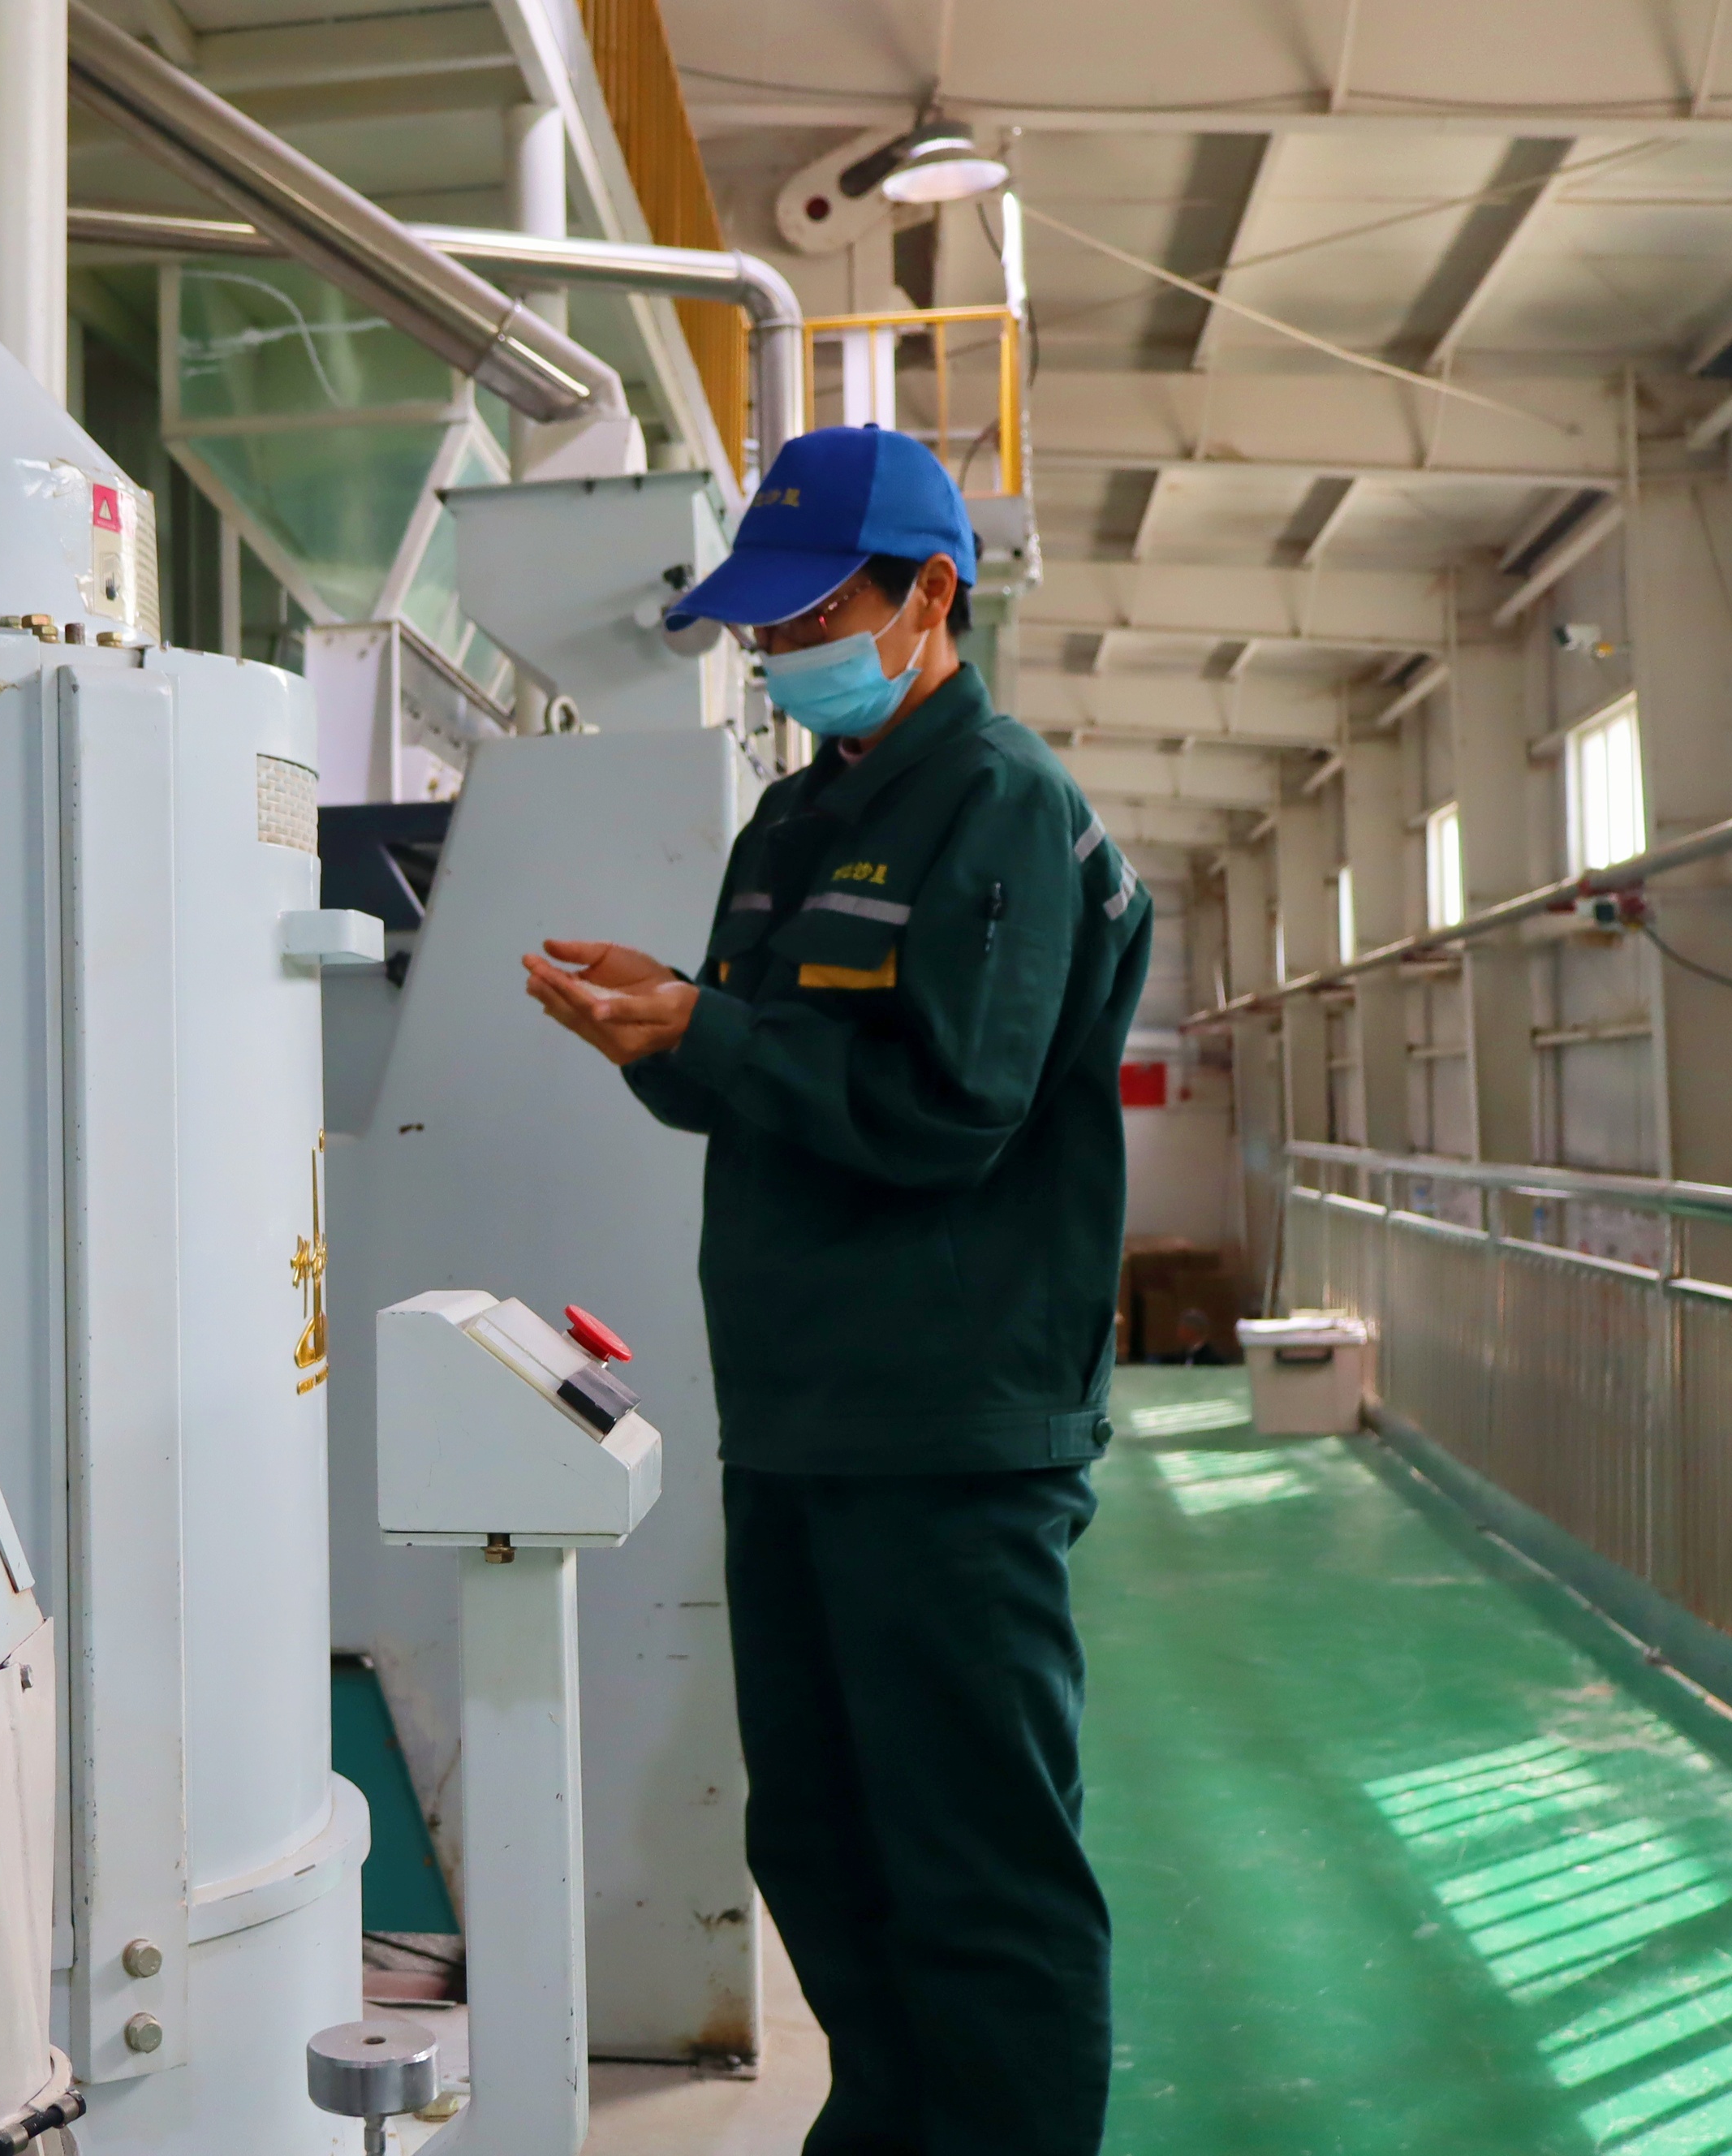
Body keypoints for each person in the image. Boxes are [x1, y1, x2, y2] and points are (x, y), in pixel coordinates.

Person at [520, 425, 1149, 2156]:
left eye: (811, 614)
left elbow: (953, 1108)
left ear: (929, 595)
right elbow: (758, 1079)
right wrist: (661, 1032)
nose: (781, 648)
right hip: (800, 1415)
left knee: (974, 1860)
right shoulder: (798, 816)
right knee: (822, 1838)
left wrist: (716, 1032)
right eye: (766, 621)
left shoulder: (1000, 803)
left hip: (950, 1425)